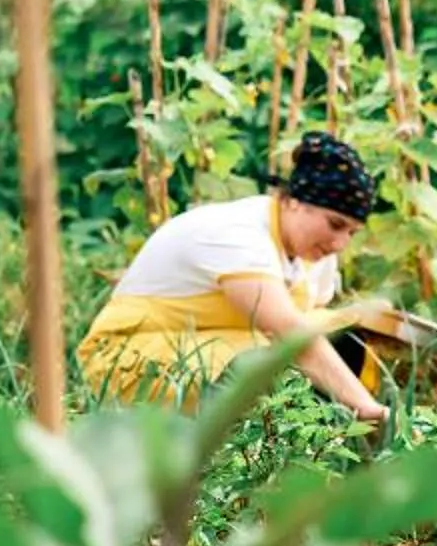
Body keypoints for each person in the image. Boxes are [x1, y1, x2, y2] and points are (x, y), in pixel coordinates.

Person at [75, 131, 389, 424]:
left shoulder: (315, 253)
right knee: (260, 363)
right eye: (334, 224)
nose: (340, 244)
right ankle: (232, 461)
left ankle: (322, 450)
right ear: (294, 201)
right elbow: (288, 330)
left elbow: (315, 323)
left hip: (215, 342)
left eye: (351, 232)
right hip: (132, 357)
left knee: (345, 336)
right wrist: (366, 408)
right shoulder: (238, 234)